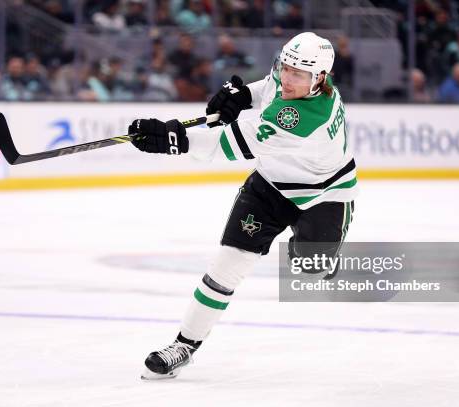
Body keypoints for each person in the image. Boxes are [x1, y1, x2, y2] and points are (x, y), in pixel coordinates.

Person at [128, 32, 358, 380]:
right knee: (225, 268)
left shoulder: (305, 116)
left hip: (325, 194)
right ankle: (184, 345)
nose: (288, 78)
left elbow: (230, 143)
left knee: (313, 267)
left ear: (320, 79)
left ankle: (318, 254)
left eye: (299, 74)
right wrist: (242, 95)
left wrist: (173, 140)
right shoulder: (300, 80)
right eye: (286, 67)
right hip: (270, 187)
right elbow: (269, 85)